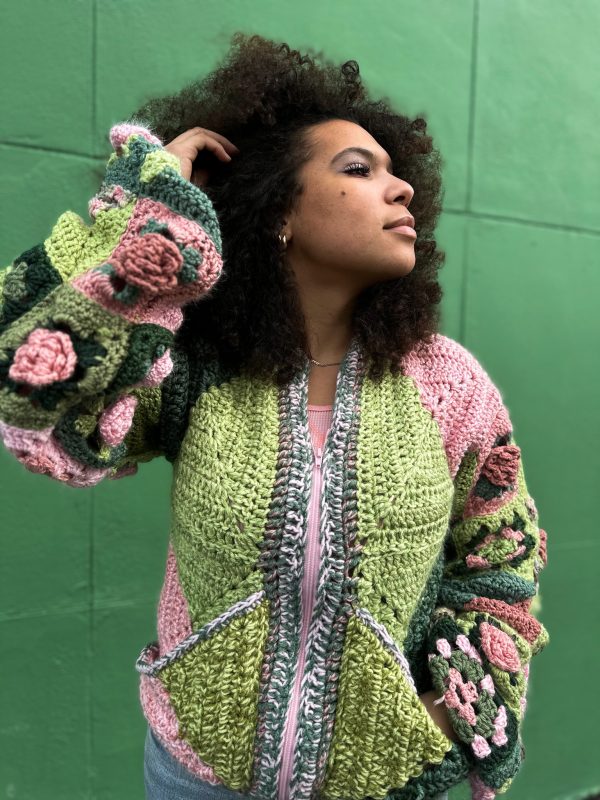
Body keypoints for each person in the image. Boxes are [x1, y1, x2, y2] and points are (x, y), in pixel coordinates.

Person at [0, 33, 549, 800]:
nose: (402, 192)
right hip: (196, 776)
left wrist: (460, 703)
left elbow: (503, 556)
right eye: (359, 170)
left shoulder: (448, 385)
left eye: (398, 174)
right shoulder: (192, 370)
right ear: (278, 214)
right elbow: (32, 389)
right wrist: (144, 214)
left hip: (382, 782)